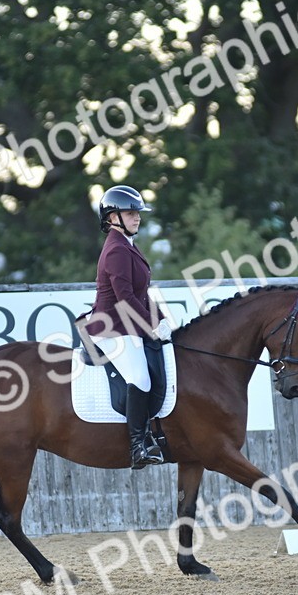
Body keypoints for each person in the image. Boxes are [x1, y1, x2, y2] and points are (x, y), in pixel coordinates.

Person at [82, 185, 171, 469]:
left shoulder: (128, 245)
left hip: (126, 325)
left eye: (137, 213)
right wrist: (150, 327)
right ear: (112, 217)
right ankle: (138, 446)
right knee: (140, 378)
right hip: (111, 329)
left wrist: (162, 319)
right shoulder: (116, 250)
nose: (137, 218)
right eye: (131, 213)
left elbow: (143, 292)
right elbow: (125, 298)